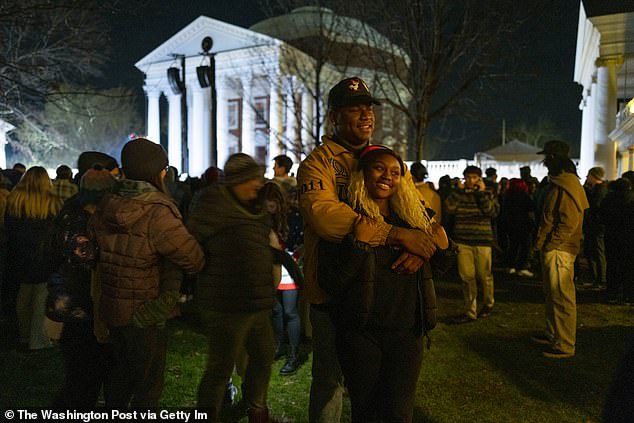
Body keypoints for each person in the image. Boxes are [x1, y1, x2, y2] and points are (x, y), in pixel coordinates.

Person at [297, 76, 437, 423]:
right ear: (334, 117)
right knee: (330, 381)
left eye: (368, 109)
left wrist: (421, 245)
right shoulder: (318, 164)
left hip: (380, 297)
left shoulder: (385, 159)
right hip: (332, 290)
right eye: (354, 109)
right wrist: (396, 235)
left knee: (381, 393)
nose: (365, 116)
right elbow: (325, 217)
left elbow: (421, 215)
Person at [319, 145, 438, 422]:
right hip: (361, 333)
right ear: (362, 174)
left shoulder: (411, 220)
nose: (388, 176)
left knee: (399, 411)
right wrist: (359, 245)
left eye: (395, 172)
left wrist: (428, 252)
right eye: (379, 168)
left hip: (407, 333)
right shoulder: (345, 218)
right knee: (366, 410)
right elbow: (331, 282)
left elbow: (440, 265)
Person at [90, 138, 205, 407]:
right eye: (163, 168)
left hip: (112, 306)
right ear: (155, 172)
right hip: (145, 311)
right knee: (147, 387)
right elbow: (193, 259)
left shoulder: (107, 203)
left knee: (119, 378)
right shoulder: (158, 211)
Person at [188, 153, 279, 423]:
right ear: (239, 181)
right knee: (221, 367)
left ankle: (256, 409)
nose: (259, 184)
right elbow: (190, 246)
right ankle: (208, 414)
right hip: (226, 303)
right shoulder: (213, 204)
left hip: (257, 301)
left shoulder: (255, 206)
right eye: (254, 179)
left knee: (263, 358)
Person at [47, 165, 116, 408]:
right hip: (79, 306)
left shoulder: (70, 211)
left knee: (84, 374)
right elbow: (87, 258)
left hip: (74, 303)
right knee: (83, 378)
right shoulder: (81, 220)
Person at [531, 140, 588, 359]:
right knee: (553, 295)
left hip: (560, 250)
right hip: (556, 248)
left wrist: (550, 244)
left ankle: (564, 344)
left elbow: (568, 222)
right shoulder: (562, 182)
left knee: (562, 298)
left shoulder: (566, 184)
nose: (544, 161)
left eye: (547, 157)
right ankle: (554, 334)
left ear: (554, 159)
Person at [5, 166, 63, 350]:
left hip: (19, 257)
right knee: (41, 297)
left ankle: (23, 336)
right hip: (44, 258)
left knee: (22, 297)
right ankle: (38, 339)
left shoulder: (14, 200)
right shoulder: (54, 202)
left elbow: (9, 230)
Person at [444, 165, 499, 323]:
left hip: (482, 241)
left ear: (479, 179)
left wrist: (481, 194)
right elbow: (449, 208)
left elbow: (492, 212)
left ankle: (488, 303)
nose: (470, 181)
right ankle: (470, 310)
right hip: (462, 240)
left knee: (484, 276)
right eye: (468, 177)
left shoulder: (488, 192)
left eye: (474, 177)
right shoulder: (459, 194)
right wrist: (458, 192)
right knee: (467, 277)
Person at [263, 181, 303, 377]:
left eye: (271, 203)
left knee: (289, 310)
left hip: (288, 264)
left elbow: (299, 242)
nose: (269, 207)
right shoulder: (263, 218)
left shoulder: (292, 217)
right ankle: (280, 345)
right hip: (270, 265)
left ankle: (293, 353)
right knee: (276, 309)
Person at [499, 178, 535, 277]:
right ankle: (522, 267)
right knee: (525, 246)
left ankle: (511, 266)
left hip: (511, 225)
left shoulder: (507, 197)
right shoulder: (526, 197)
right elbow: (530, 211)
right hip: (524, 225)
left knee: (513, 246)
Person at [582, 166, 607, 289]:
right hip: (593, 226)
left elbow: (594, 207)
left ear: (593, 176)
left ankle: (600, 279)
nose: (587, 178)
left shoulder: (599, 191)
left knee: (597, 252)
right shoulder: (597, 190)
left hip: (596, 227)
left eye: (588, 176)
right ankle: (596, 278)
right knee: (592, 252)